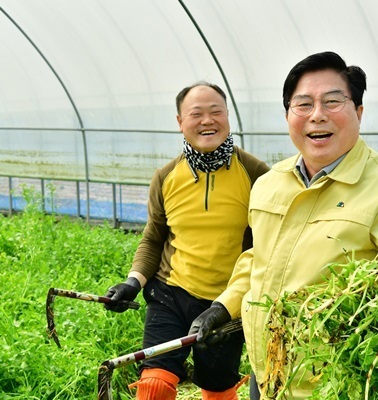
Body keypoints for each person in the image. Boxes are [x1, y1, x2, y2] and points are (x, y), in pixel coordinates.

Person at [189, 52, 378, 399]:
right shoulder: (270, 183)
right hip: (266, 371)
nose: (317, 115)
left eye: (332, 101)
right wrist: (222, 307)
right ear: (287, 115)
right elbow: (257, 259)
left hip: (334, 383)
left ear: (358, 112)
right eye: (303, 104)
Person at [104, 81, 269, 400]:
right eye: (196, 114)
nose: (208, 120)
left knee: (217, 388)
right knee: (153, 385)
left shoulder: (255, 173)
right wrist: (133, 282)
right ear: (180, 122)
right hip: (170, 295)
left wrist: (232, 304)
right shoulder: (166, 177)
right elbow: (153, 239)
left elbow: (266, 245)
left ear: (228, 117)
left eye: (216, 111)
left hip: (227, 302)